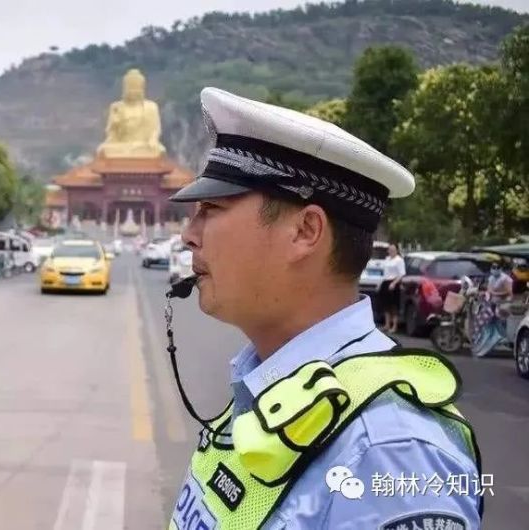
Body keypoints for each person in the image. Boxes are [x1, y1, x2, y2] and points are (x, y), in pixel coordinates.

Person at [165, 88, 481, 530]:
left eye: (211, 208)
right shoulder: (271, 386)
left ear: (305, 231)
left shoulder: (388, 453)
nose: (189, 235)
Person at [377, 243, 407, 333]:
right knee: (386, 305)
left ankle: (394, 326)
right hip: (386, 282)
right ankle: (387, 324)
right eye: (390, 250)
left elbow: (402, 274)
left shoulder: (399, 260)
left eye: (393, 250)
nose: (391, 251)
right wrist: (380, 283)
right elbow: (385, 273)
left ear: (396, 250)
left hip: (394, 283)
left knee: (394, 306)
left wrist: (394, 283)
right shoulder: (387, 259)